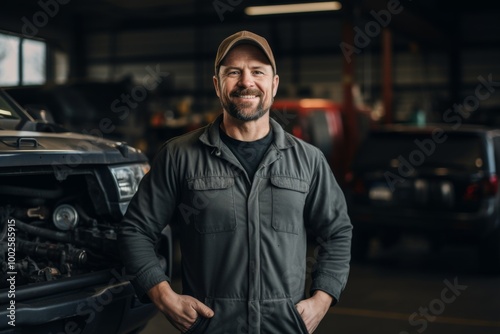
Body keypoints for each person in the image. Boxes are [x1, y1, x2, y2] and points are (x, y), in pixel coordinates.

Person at [118, 30, 352, 334]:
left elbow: (337, 232)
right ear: (217, 85)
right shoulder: (179, 156)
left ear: (274, 84)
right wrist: (164, 297)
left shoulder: (308, 161)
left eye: (257, 71)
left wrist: (322, 299)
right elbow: (135, 230)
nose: (246, 82)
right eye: (233, 72)